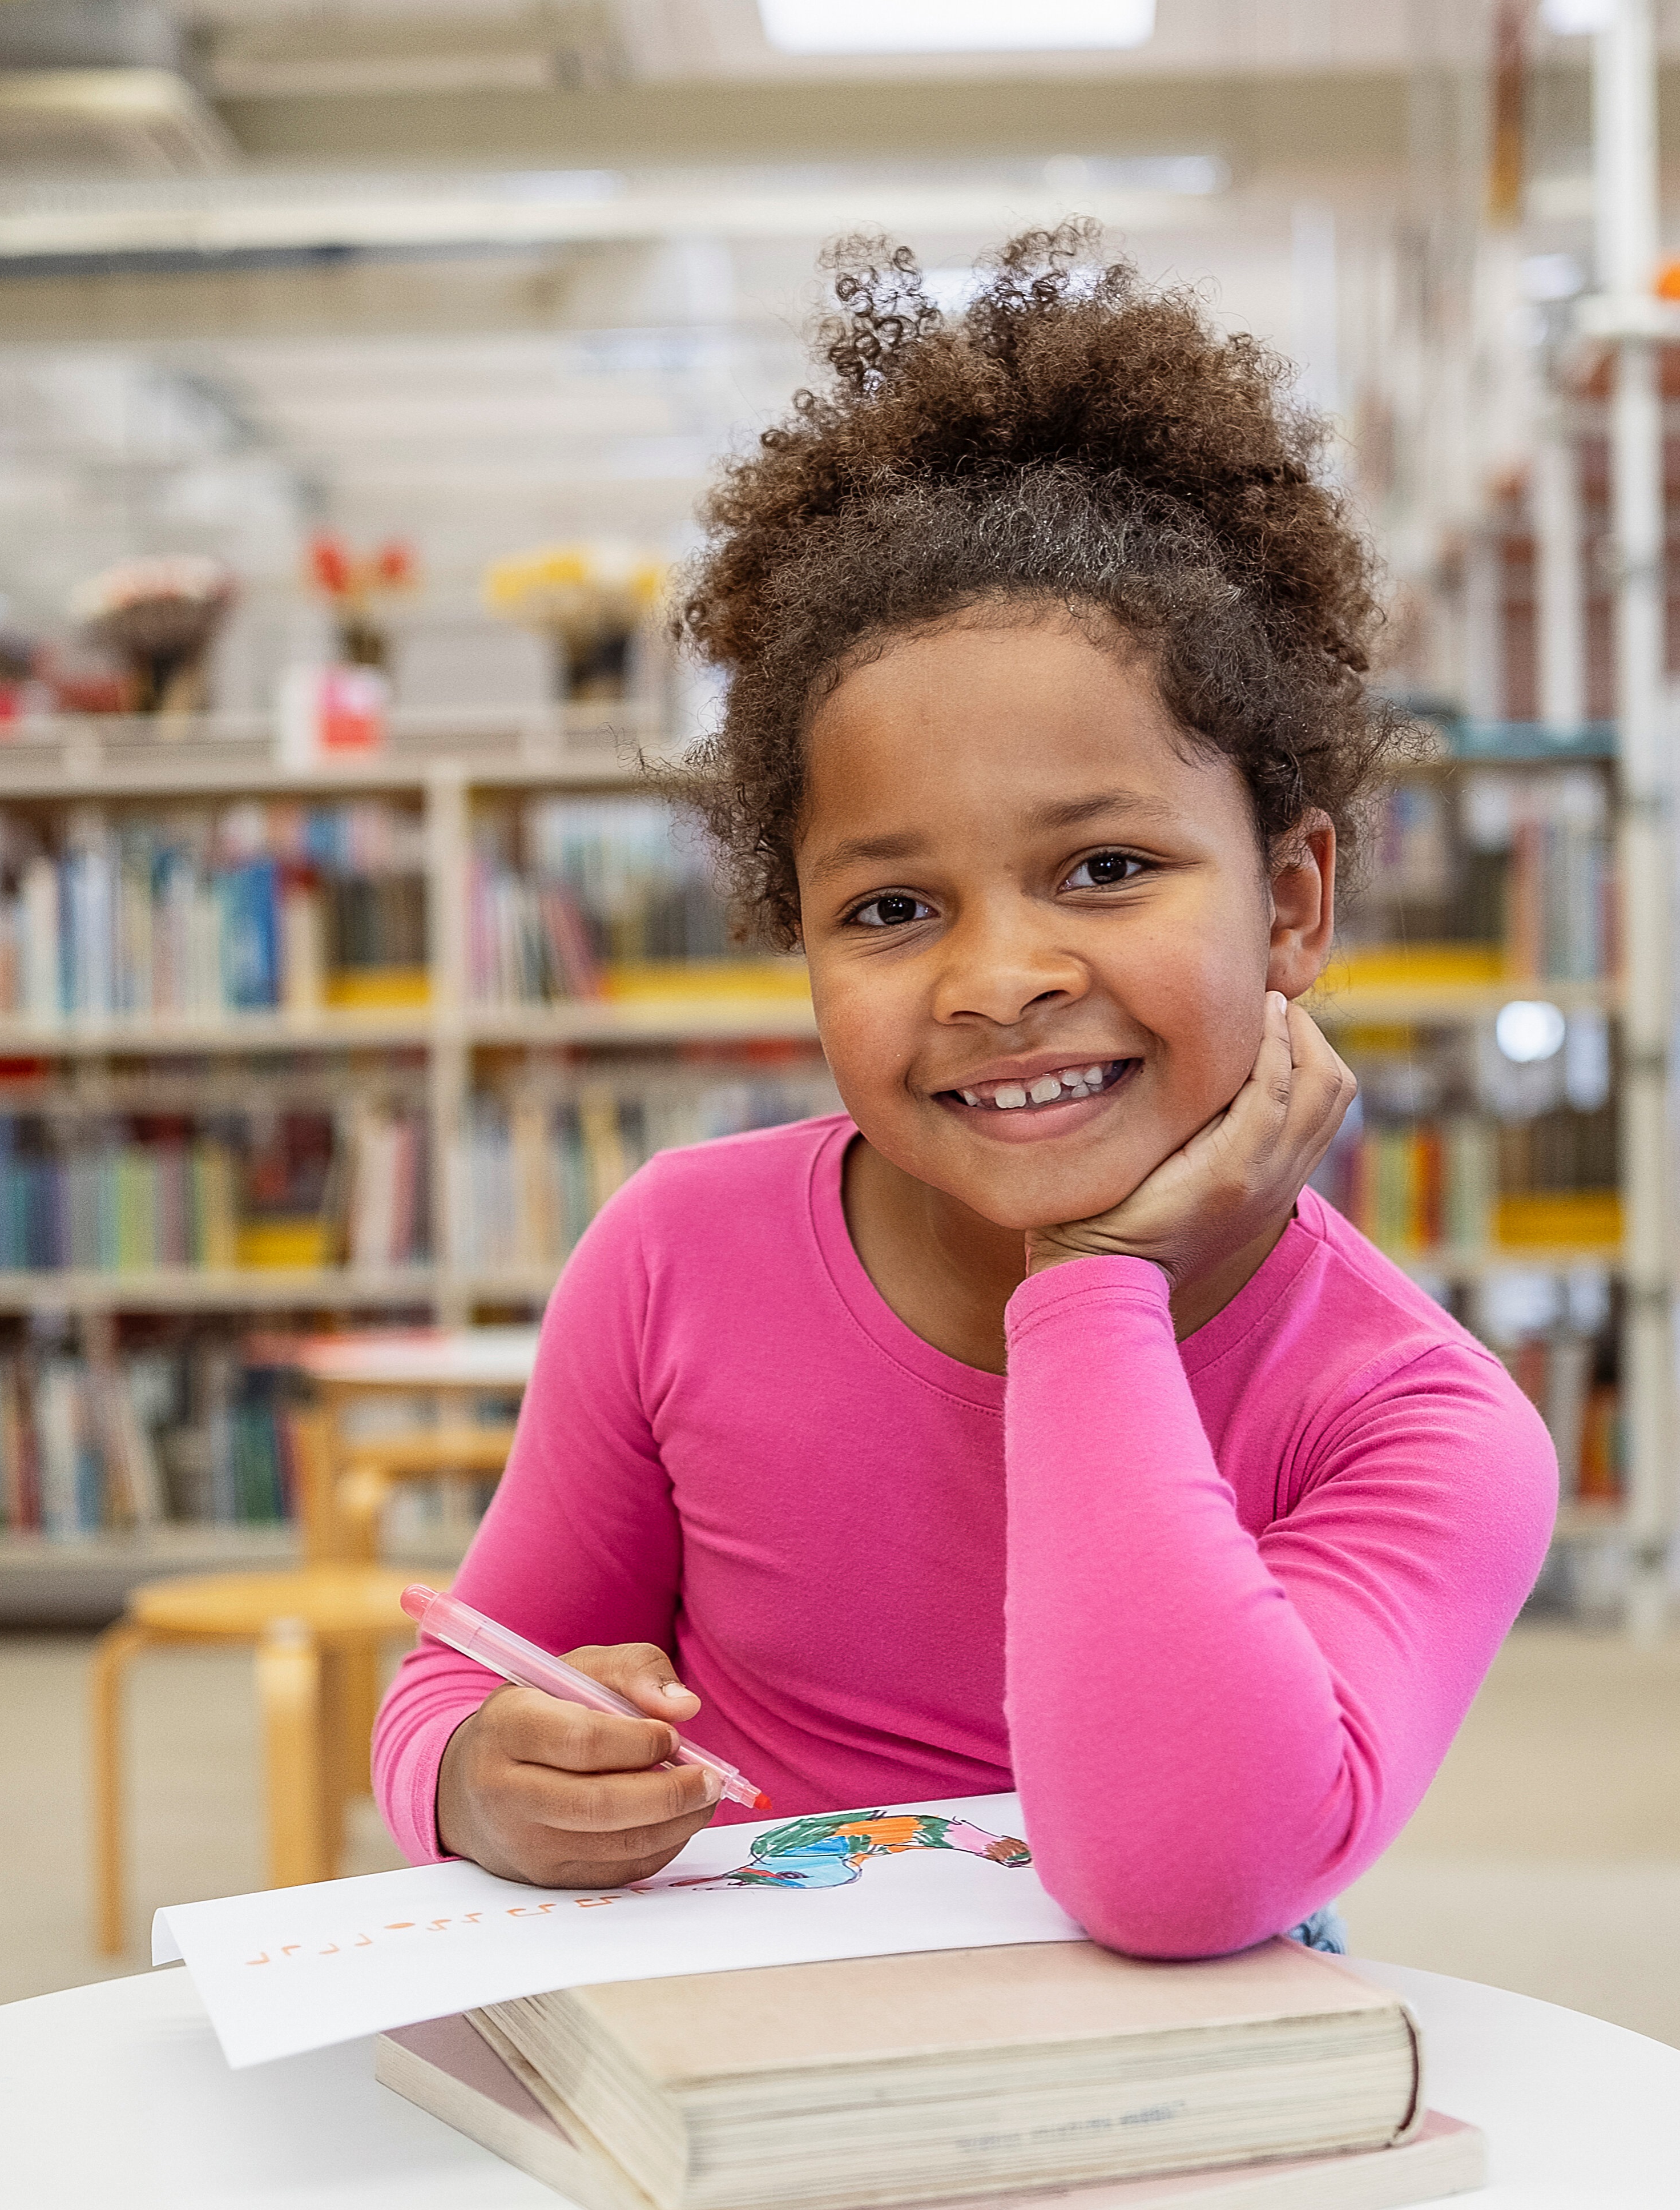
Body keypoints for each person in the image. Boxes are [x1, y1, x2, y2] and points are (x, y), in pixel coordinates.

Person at [372, 225, 1559, 1959]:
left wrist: (1096, 1289)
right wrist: (489, 1777)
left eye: (1102, 868)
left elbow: (1185, 1875)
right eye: (892, 909)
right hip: (739, 2066)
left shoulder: (1417, 1423)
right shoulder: (675, 1256)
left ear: (1293, 901)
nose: (996, 979)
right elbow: (448, 1679)